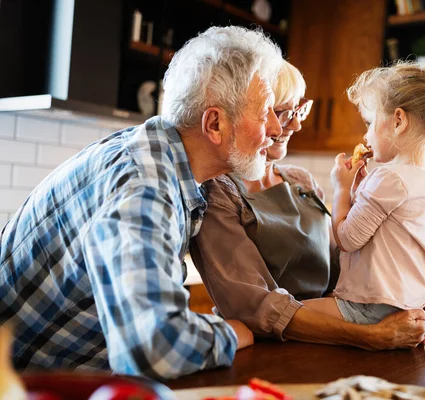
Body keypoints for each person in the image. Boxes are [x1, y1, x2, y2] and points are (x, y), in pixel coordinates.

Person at [0, 26, 284, 379]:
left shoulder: (158, 157)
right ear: (215, 123)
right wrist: (231, 332)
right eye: (266, 111)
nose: (276, 127)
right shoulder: (147, 185)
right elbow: (155, 351)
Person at [192, 61, 425, 350]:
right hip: (273, 351)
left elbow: (345, 267)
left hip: (335, 344)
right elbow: (256, 306)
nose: (295, 124)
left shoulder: (302, 180)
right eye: (282, 112)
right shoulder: (216, 192)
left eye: (299, 110)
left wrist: (399, 301)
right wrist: (370, 335)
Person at [303, 60, 425, 324]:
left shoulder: (389, 178)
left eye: (369, 122)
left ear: (398, 120)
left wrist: (341, 188)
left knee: (286, 313)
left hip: (371, 307)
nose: (366, 136)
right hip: (405, 305)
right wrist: (359, 192)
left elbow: (347, 239)